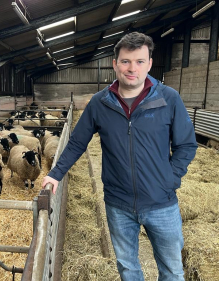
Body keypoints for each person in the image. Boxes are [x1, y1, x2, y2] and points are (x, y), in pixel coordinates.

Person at [41, 32, 197, 281]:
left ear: (149, 62)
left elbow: (187, 145)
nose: (132, 68)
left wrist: (170, 178)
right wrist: (55, 174)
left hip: (162, 204)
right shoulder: (100, 103)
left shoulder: (168, 99)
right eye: (125, 61)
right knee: (127, 267)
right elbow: (77, 143)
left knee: (172, 270)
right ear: (115, 64)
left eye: (139, 61)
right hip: (118, 205)